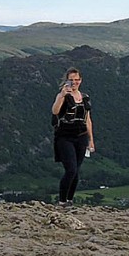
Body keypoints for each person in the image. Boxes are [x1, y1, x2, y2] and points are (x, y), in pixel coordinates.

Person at [51, 68, 95, 206]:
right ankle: (62, 201)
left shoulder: (85, 97)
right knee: (71, 169)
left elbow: (87, 120)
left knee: (76, 170)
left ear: (81, 80)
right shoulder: (62, 95)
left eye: (77, 80)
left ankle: (69, 200)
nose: (74, 82)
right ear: (67, 80)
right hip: (65, 137)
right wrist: (63, 95)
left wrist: (91, 140)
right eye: (71, 80)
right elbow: (55, 111)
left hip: (81, 136)